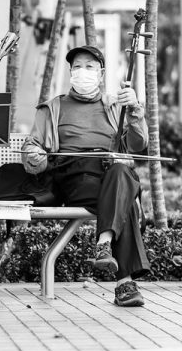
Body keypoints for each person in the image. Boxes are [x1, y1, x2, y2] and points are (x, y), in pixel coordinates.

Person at [22, 45, 150, 307]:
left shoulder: (116, 106)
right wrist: (36, 155)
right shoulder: (53, 107)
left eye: (89, 67)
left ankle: (104, 242)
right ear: (70, 72)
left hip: (108, 175)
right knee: (124, 196)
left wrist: (135, 109)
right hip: (73, 175)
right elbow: (31, 147)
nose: (83, 72)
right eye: (77, 67)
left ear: (101, 74)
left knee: (121, 171)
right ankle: (124, 283)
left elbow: (138, 146)